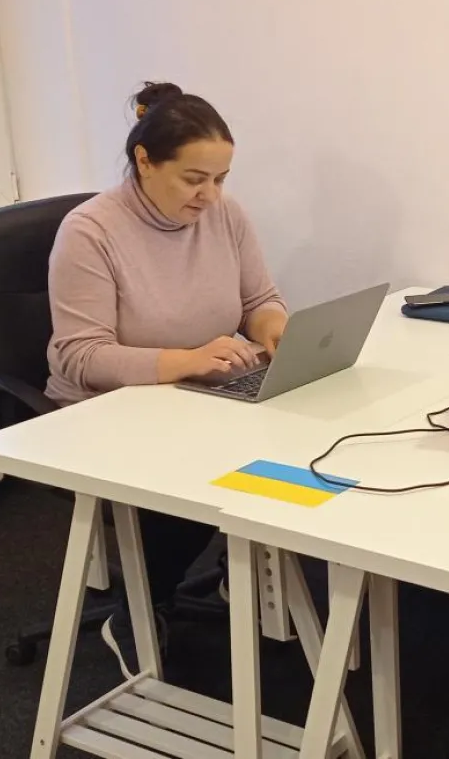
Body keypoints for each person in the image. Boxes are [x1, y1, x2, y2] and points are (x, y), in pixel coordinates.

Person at [44, 81, 288, 669]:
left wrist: (276, 335)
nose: (209, 195)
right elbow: (79, 355)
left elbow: (260, 298)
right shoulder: (90, 231)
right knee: (201, 474)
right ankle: (139, 609)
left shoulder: (224, 215)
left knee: (299, 445)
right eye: (193, 179)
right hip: (106, 407)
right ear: (144, 161)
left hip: (198, 390)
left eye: (220, 179)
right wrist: (187, 360)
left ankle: (245, 567)